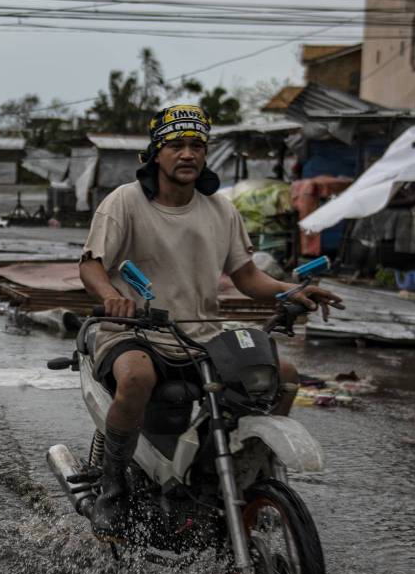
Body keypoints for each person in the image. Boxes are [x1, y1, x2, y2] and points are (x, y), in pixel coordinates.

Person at [78, 104, 344, 541]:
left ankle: (228, 476)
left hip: (199, 333)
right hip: (133, 330)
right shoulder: (125, 201)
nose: (188, 154)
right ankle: (113, 487)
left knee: (284, 375)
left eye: (197, 146)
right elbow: (92, 265)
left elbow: (246, 275)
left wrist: (291, 292)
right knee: (137, 378)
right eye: (177, 145)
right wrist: (112, 299)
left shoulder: (220, 209)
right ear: (156, 153)